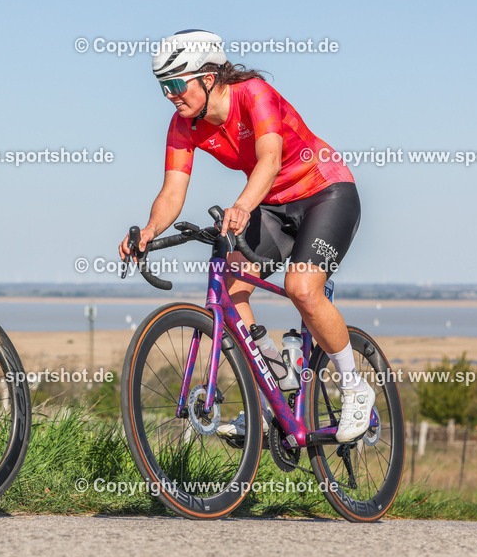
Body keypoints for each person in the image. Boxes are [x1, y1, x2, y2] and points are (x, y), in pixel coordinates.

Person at [118, 29, 373, 443]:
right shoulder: (184, 126)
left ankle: (355, 388)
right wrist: (148, 230)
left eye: (176, 84)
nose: (170, 95)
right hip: (270, 204)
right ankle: (275, 390)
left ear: (207, 77)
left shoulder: (253, 93)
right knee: (231, 293)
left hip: (325, 192)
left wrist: (241, 206)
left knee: (302, 288)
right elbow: (172, 192)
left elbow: (270, 159)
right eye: (163, 87)